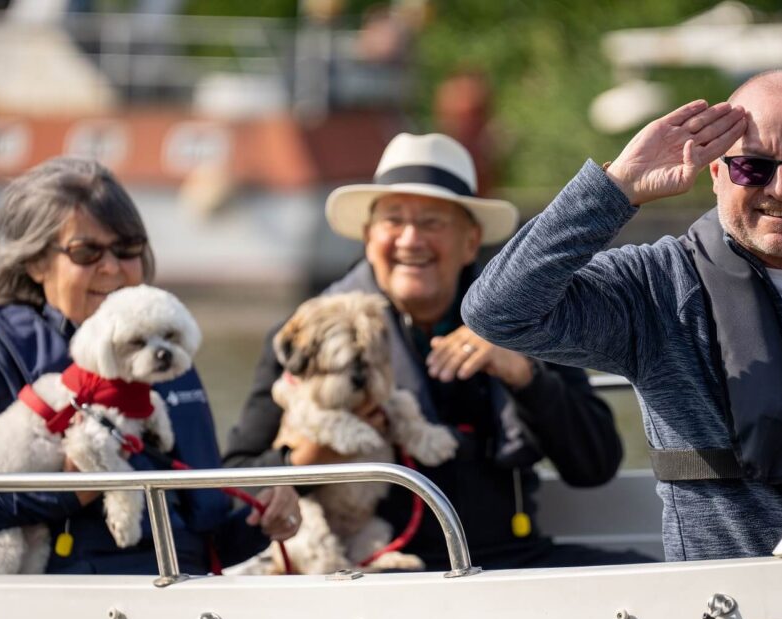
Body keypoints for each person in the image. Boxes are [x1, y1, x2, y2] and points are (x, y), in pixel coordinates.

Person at [462, 70, 782, 562]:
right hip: (729, 618)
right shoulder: (655, 288)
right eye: (755, 168)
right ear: (717, 171)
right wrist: (617, 187)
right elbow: (498, 312)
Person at [224, 133, 649, 570]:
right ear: (369, 237)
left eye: (432, 222)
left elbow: (595, 466)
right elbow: (237, 482)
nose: (410, 240)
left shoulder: (531, 321)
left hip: (514, 559)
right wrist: (313, 456)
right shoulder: (308, 334)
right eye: (393, 220)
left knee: (649, 577)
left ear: (470, 241)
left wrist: (521, 372)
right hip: (375, 569)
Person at [0, 157, 301, 574]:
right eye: (86, 252)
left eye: (127, 249)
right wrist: (67, 491)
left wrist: (261, 521)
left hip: (183, 600)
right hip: (75, 612)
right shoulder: (2, 360)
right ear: (36, 263)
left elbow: (205, 540)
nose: (112, 267)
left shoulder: (168, 363)